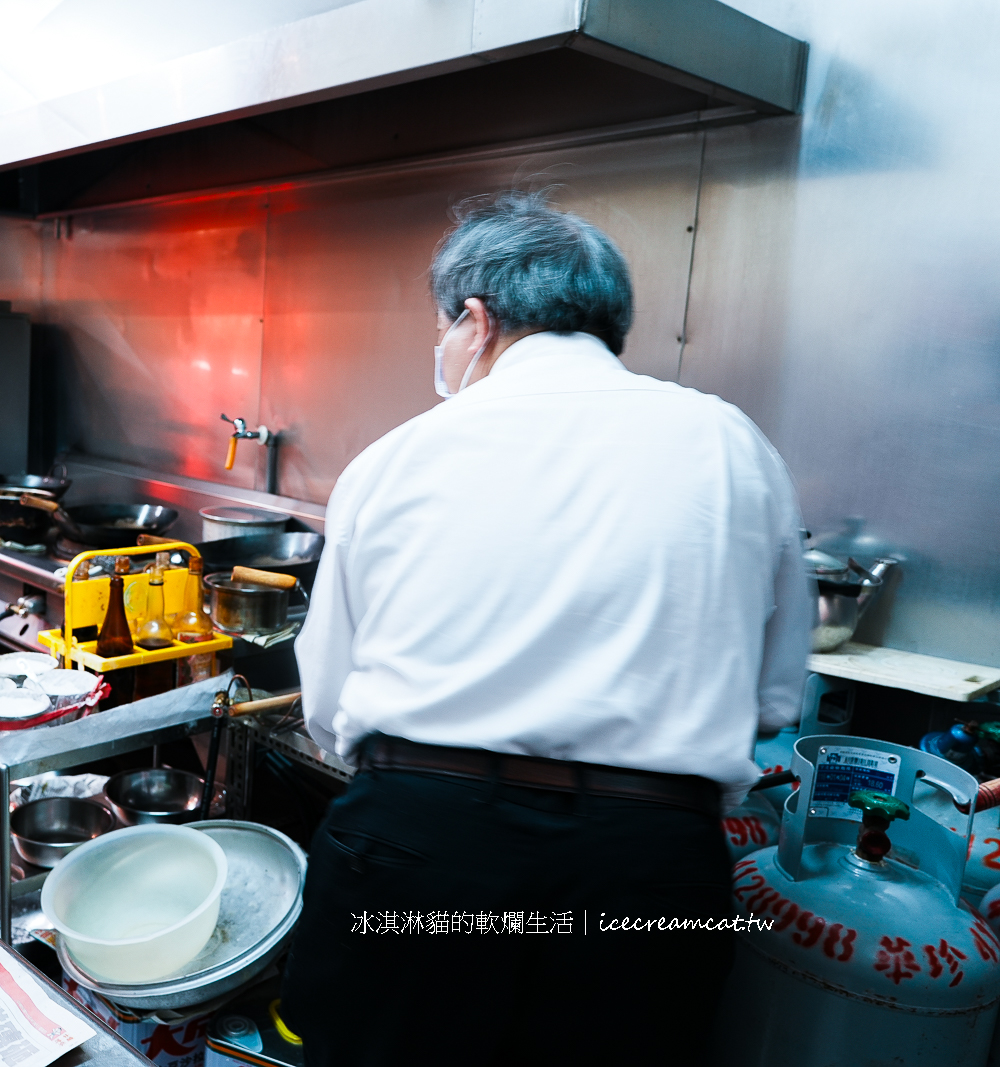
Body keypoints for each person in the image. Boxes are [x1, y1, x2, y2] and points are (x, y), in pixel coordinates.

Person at [278, 191, 811, 1066]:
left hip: (423, 851)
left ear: (477, 321)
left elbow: (330, 700)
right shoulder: (734, 445)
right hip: (651, 873)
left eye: (443, 330)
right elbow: (773, 696)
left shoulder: (401, 455)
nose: (443, 352)